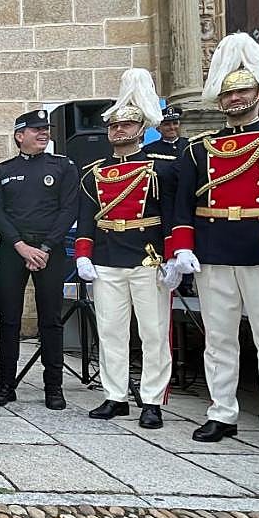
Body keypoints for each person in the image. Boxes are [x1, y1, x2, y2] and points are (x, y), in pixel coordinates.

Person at [171, 32, 259, 456]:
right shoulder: (201, 148)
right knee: (218, 339)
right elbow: (184, 204)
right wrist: (183, 247)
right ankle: (222, 412)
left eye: (243, 91)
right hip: (214, 250)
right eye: (228, 92)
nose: (235, 98)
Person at [75, 69, 180, 430]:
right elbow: (87, 216)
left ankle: (152, 400)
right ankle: (115, 395)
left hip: (147, 256)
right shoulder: (93, 172)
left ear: (141, 128)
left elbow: (170, 216)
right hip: (107, 257)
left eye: (127, 125)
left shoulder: (160, 168)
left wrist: (173, 256)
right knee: (111, 331)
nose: (119, 130)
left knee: (153, 332)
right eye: (114, 126)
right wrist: (83, 253)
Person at [0, 108, 79, 410]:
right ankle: (6, 384)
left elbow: (69, 209)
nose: (44, 133)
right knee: (9, 319)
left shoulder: (63, 166)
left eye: (46, 129)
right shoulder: (3, 170)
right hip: (13, 250)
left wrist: (46, 247)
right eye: (36, 129)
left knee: (50, 319)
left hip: (49, 250)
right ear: (19, 136)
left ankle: (53, 386)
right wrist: (20, 246)